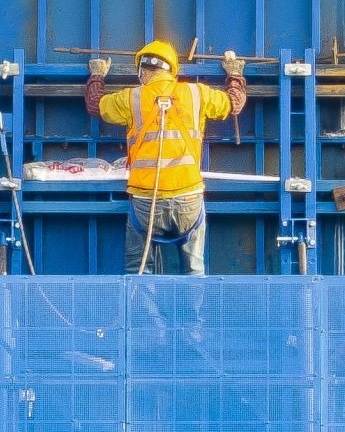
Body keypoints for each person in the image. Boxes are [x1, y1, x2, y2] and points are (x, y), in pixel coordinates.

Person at [84, 40, 247, 275]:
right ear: (172, 70)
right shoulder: (196, 93)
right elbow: (235, 103)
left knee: (139, 270)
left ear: (142, 71)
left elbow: (94, 105)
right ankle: (193, 300)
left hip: (146, 199)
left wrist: (97, 75)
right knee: (194, 270)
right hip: (188, 196)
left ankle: (143, 301)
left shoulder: (131, 98)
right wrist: (234, 74)